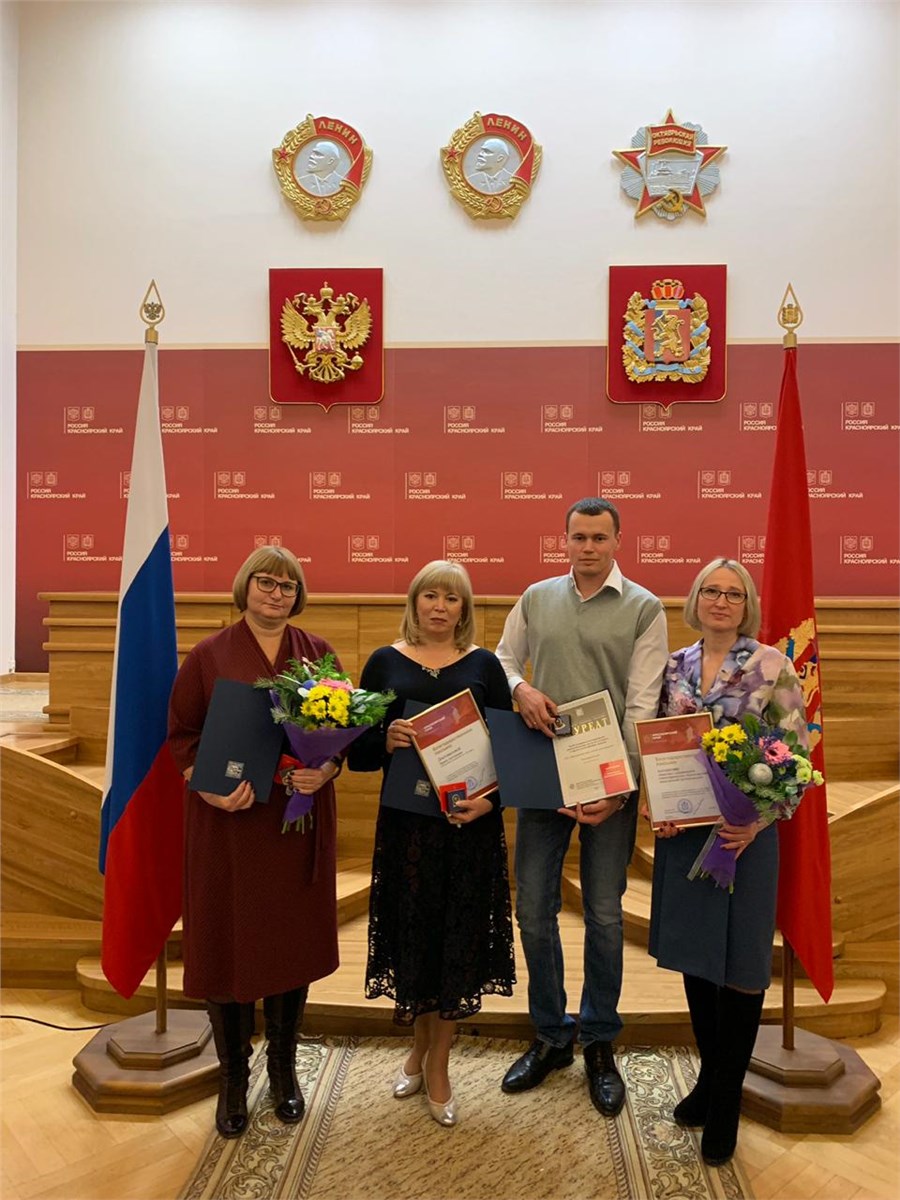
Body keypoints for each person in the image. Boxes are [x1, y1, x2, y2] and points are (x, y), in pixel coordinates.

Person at [495, 497, 668, 1116]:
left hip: (609, 782)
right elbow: (502, 657)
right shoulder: (536, 596)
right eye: (578, 537)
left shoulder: (645, 609)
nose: (588, 546)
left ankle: (598, 1041)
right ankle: (550, 1035)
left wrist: (619, 786)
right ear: (563, 540)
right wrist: (521, 689)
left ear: (618, 541)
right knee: (533, 909)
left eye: (599, 537)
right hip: (542, 774)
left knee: (604, 914)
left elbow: (642, 703)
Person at [168, 546, 343, 1139]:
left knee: (289, 945)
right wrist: (210, 789)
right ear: (244, 587)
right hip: (230, 829)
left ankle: (284, 1070)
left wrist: (327, 771)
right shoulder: (208, 655)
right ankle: (233, 1079)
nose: (276, 593)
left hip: (294, 823)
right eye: (266, 582)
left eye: (288, 585)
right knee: (228, 946)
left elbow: (338, 738)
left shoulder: (318, 654)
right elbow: (182, 738)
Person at [648, 558, 809, 1166]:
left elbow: (797, 754)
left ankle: (726, 1102)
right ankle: (709, 1080)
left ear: (747, 605)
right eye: (710, 591)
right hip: (687, 833)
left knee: (740, 968)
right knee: (696, 959)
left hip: (745, 837)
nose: (720, 601)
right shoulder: (675, 665)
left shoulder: (773, 665)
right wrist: (657, 804)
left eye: (733, 593)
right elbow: (661, 739)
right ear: (695, 599)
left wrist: (757, 820)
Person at [347, 561, 516, 1128]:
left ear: (464, 610)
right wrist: (386, 736)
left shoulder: (485, 666)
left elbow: (509, 751)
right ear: (415, 602)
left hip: (469, 828)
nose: (440, 607)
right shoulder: (383, 662)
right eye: (430, 596)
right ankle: (418, 1049)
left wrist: (491, 802)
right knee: (414, 938)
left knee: (457, 942)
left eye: (452, 598)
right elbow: (359, 756)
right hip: (407, 831)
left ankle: (438, 1062)